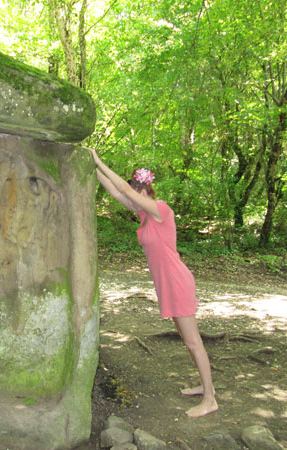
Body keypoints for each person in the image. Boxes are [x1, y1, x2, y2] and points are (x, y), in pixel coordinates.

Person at [89, 148, 218, 418]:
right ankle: (204, 387)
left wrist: (98, 158)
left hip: (177, 282)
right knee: (186, 339)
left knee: (194, 341)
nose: (134, 196)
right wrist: (92, 168)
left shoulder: (160, 210)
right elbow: (117, 192)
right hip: (167, 284)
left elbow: (124, 188)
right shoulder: (144, 215)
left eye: (138, 191)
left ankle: (210, 398)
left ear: (147, 191)